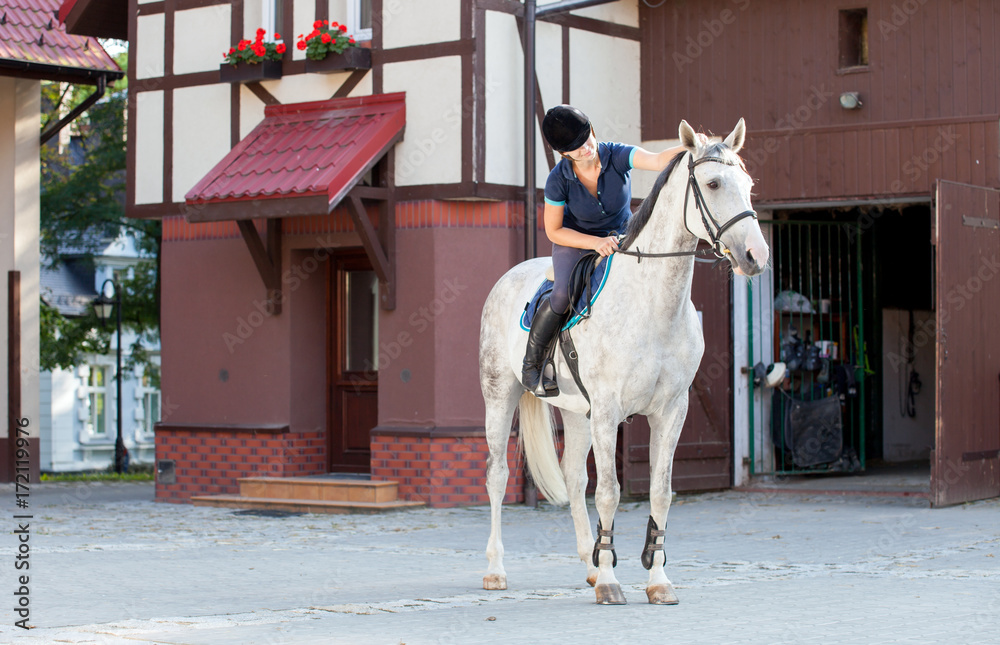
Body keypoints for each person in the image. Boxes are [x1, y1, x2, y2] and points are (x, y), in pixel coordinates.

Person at [521, 105, 690, 397]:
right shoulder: (557, 180)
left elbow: (660, 159)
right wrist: (594, 243)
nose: (587, 149)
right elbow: (554, 230)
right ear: (564, 154)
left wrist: (693, 146)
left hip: (623, 236)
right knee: (561, 294)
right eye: (576, 148)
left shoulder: (618, 155)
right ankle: (532, 364)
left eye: (587, 139)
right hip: (575, 240)